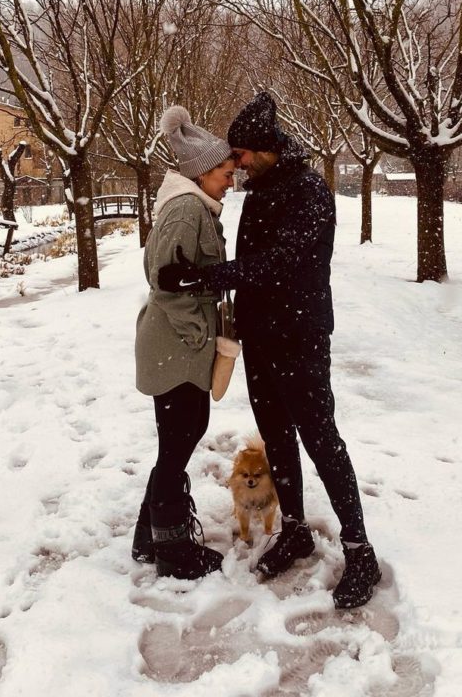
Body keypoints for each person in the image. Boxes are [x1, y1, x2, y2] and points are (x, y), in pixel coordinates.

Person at [158, 92, 380, 609]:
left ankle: (360, 550)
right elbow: (252, 261)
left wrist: (205, 276)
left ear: (264, 147)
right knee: (277, 437)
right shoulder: (260, 190)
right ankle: (295, 530)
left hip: (300, 336)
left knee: (321, 439)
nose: (235, 164)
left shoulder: (309, 191)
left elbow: (280, 262)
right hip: (260, 336)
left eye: (240, 154)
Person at [132, 105, 236, 580]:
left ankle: (149, 535)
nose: (231, 181)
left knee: (183, 436)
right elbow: (164, 279)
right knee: (177, 443)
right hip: (175, 344)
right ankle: (173, 552)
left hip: (182, 343)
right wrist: (199, 332)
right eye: (226, 173)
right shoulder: (186, 209)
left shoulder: (197, 208)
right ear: (202, 172)